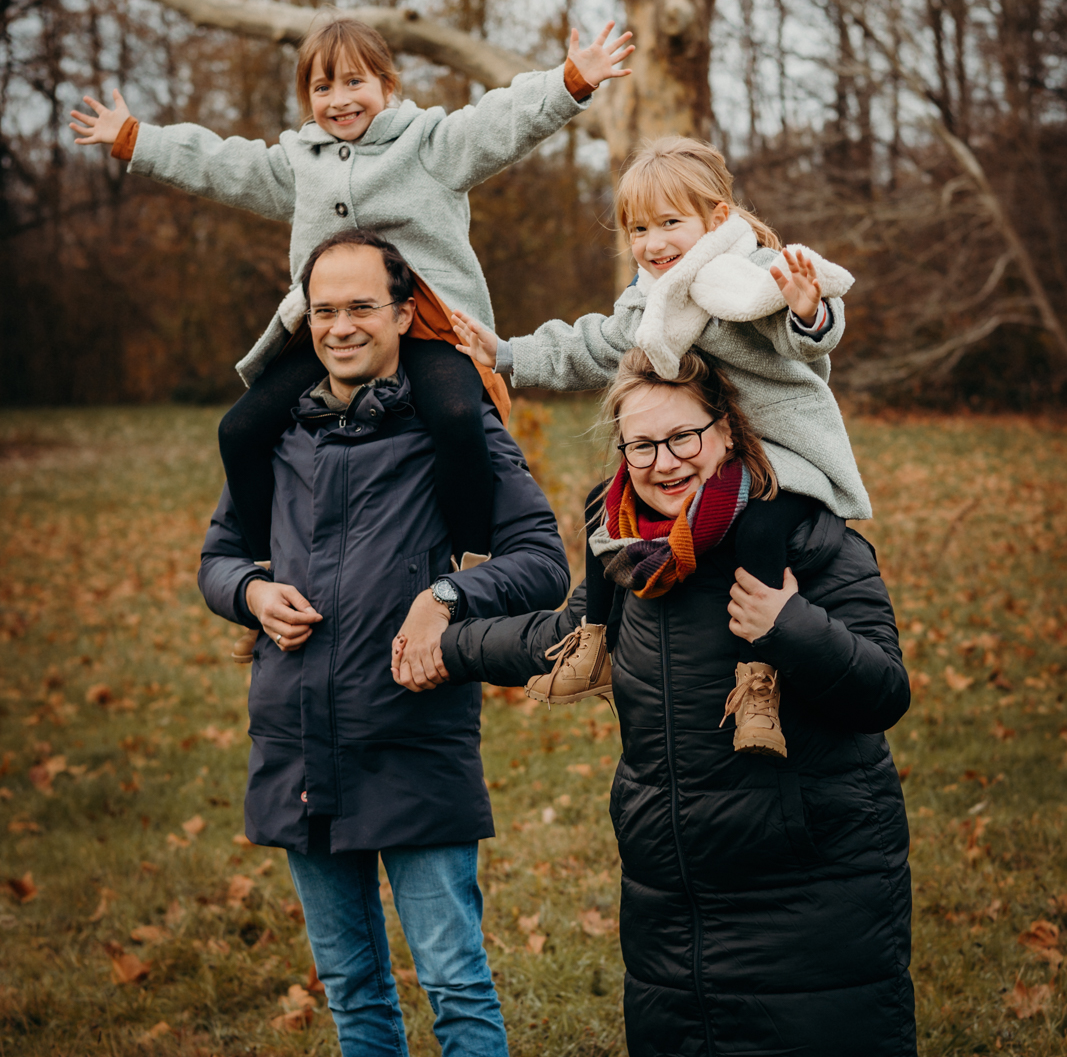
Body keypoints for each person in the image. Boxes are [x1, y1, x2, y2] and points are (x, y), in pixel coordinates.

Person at [432, 350, 916, 1057]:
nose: (663, 463)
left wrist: (788, 626)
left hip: (807, 896)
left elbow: (883, 691)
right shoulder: (628, 558)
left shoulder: (804, 536)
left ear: (727, 432)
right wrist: (443, 644)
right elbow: (564, 636)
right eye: (640, 445)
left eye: (682, 437)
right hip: (672, 901)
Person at [71, 13, 632, 564]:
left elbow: (498, 122)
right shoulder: (301, 164)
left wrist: (569, 81)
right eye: (322, 87)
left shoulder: (428, 146)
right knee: (238, 429)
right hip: (337, 337)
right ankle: (270, 562)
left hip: (432, 331)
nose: (339, 99)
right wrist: (135, 139)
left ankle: (471, 558)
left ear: (387, 86)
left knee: (458, 418)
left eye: (354, 82)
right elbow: (225, 165)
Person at [198, 228, 571, 1057]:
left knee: (453, 982)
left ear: (404, 313)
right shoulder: (276, 434)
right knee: (352, 989)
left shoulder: (452, 423)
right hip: (297, 743)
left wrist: (448, 594)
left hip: (410, 735)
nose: (340, 326)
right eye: (324, 310)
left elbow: (541, 560)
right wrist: (252, 593)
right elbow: (219, 559)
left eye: (362, 306)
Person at [453, 134, 868, 753]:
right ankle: (594, 640)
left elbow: (801, 332)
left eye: (670, 223)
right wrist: (509, 354)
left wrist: (809, 312)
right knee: (603, 502)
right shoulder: (652, 298)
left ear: (717, 219)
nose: (652, 243)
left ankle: (757, 679)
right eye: (638, 229)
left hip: (778, 449)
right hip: (700, 448)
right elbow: (593, 344)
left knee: (760, 526)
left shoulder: (747, 276)